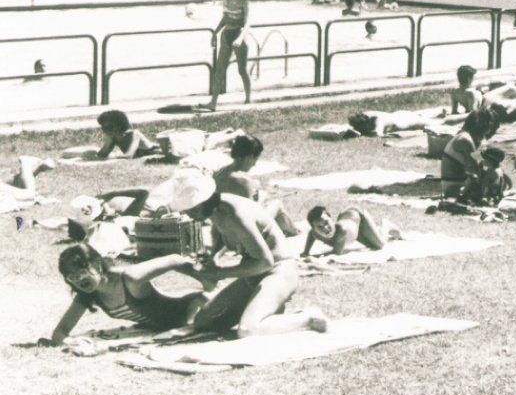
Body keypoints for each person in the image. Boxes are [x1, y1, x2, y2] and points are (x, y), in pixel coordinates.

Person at [165, 171, 327, 337]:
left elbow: (265, 262)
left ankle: (308, 318)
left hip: (279, 271)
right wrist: (213, 256)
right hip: (254, 275)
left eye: (191, 208)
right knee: (204, 322)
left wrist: (220, 273)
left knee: (248, 330)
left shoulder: (236, 214)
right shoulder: (216, 209)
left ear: (205, 199)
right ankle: (270, 310)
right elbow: (224, 234)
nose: (188, 214)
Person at [42, 244, 247, 346]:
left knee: (197, 334)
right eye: (71, 277)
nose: (78, 280)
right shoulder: (89, 294)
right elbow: (60, 331)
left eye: (81, 272)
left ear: (96, 264)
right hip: (170, 326)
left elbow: (175, 259)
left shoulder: (130, 277)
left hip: (195, 308)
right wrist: (69, 341)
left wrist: (208, 283)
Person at [212, 135, 298, 238]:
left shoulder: (218, 173)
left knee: (272, 207)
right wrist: (263, 198)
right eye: (255, 160)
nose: (254, 164)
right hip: (243, 231)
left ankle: (291, 231)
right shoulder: (243, 180)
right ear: (249, 157)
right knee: (277, 204)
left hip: (222, 228)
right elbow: (253, 214)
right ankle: (296, 232)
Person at [207, 0, 253, 111]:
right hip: (227, 35)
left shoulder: (245, 2)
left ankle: (248, 99)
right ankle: (213, 102)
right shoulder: (228, 0)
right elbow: (225, 18)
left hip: (239, 35)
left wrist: (239, 39)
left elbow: (247, 24)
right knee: (220, 70)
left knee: (242, 70)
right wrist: (215, 33)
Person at [441, 107, 500, 199]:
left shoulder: (466, 136)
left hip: (459, 184)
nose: (490, 127)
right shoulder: (465, 140)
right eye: (490, 124)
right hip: (453, 187)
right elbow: (474, 170)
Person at [303, 205, 402, 256]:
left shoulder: (342, 230)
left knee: (380, 244)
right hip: (351, 226)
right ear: (314, 228)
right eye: (319, 227)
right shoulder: (315, 233)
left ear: (331, 218)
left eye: (326, 223)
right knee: (371, 245)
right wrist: (306, 251)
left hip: (358, 215)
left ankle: (386, 225)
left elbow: (336, 253)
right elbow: (311, 235)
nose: (325, 228)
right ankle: (376, 230)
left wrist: (312, 257)